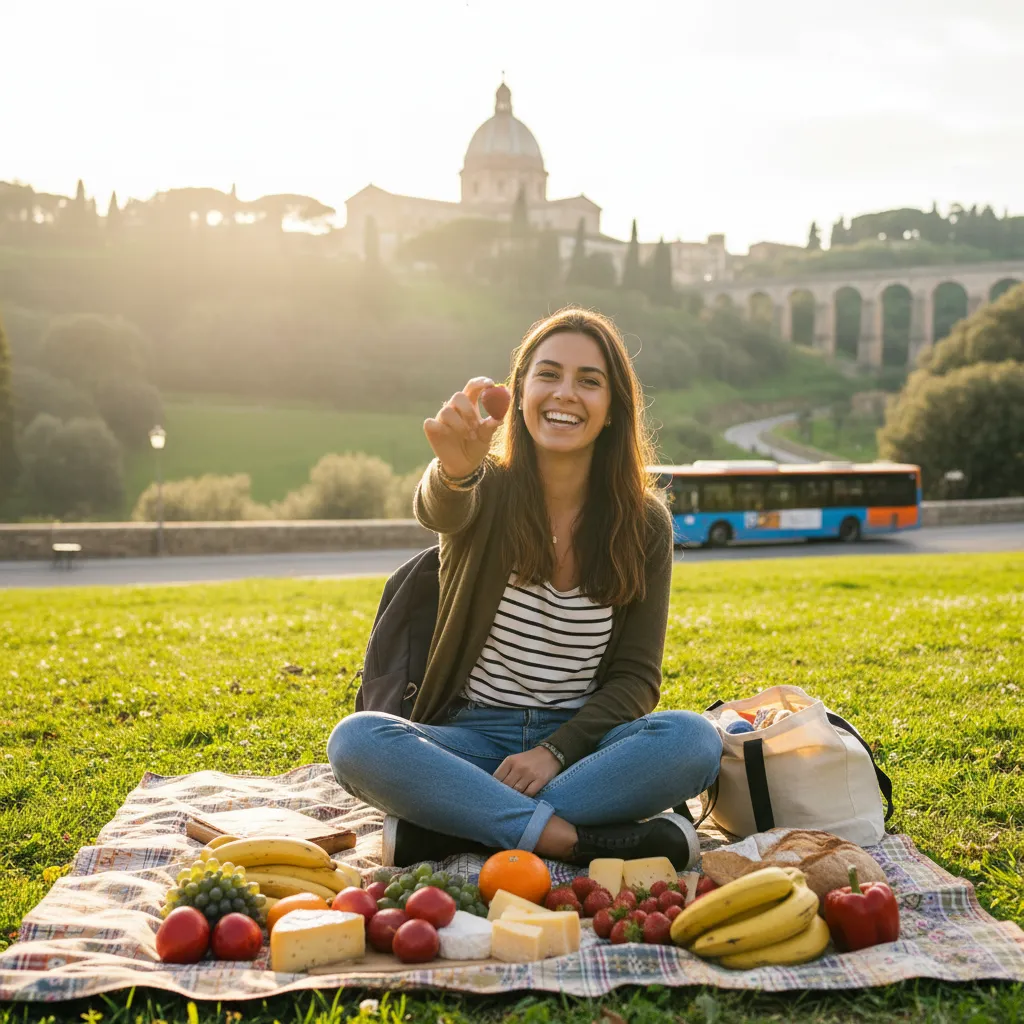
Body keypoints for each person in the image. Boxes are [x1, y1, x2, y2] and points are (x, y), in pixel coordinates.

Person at [328, 308, 722, 867]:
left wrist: (555, 753)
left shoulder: (644, 523)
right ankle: (570, 839)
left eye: (589, 381)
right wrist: (455, 471)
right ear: (520, 393)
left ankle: (457, 826)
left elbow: (636, 679)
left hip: (582, 747)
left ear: (613, 410)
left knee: (695, 742)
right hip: (469, 741)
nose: (566, 393)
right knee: (356, 742)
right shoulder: (483, 487)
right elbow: (438, 506)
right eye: (549, 374)